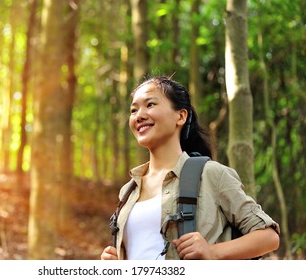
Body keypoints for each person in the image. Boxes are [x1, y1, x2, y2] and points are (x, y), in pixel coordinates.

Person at [101, 76, 280, 260]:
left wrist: (213, 252)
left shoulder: (210, 174)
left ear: (180, 116)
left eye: (150, 105)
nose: (139, 115)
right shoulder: (128, 190)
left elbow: (268, 236)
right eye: (133, 110)